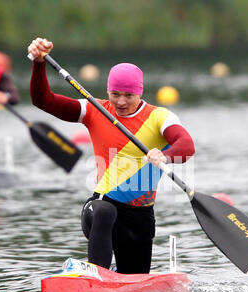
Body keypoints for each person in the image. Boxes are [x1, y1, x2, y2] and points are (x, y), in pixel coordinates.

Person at [28, 37, 195, 274]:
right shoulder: (94, 110)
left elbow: (186, 145)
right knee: (105, 210)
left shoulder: (160, 117)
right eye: (115, 94)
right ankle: (96, 276)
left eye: (128, 95)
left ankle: (114, 276)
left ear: (140, 92)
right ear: (108, 91)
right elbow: (43, 100)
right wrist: (38, 63)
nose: (121, 102)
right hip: (99, 210)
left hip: (140, 219)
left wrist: (165, 155)